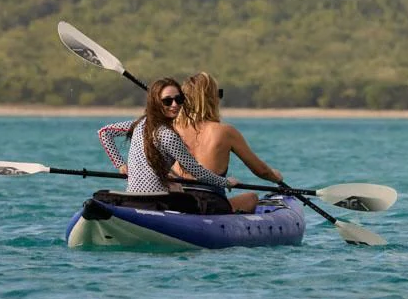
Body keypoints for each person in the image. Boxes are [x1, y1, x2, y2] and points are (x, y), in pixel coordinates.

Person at [97, 77, 239, 214]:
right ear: (156, 103)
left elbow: (105, 132)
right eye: (167, 101)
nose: (175, 105)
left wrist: (119, 164)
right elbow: (197, 171)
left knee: (176, 186)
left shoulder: (140, 123)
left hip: (133, 197)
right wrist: (225, 182)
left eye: (179, 100)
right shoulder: (168, 135)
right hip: (157, 201)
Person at [172, 71, 284, 215]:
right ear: (212, 99)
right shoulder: (226, 132)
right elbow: (260, 170)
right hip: (210, 204)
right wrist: (276, 177)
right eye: (218, 94)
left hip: (176, 200)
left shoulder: (170, 129)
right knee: (251, 198)